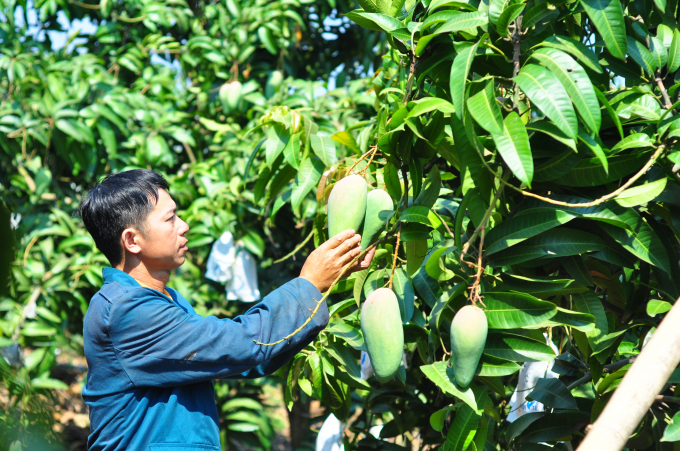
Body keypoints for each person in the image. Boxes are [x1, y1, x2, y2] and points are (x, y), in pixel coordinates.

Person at [77, 169, 375, 451]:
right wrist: (309, 284)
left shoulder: (167, 300)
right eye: (170, 219)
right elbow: (241, 343)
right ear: (132, 240)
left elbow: (243, 360)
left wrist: (319, 286)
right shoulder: (127, 310)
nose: (183, 226)